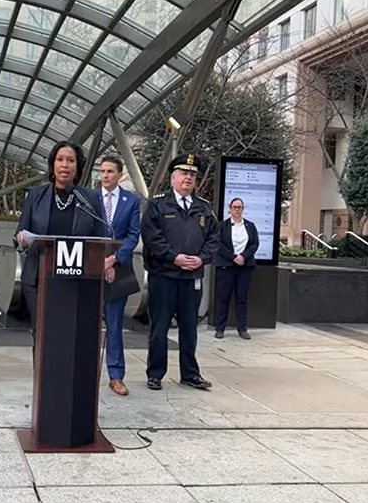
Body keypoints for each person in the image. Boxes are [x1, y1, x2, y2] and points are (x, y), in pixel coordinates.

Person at [15, 141, 108, 340]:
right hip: (39, 280)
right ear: (53, 165)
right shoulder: (36, 195)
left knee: (69, 337)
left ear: (78, 167)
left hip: (76, 281)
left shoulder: (89, 199)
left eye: (70, 160)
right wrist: (22, 239)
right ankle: (42, 373)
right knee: (42, 337)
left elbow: (100, 239)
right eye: (60, 160)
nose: (64, 165)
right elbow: (19, 234)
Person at [142, 154, 219, 391]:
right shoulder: (157, 205)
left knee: (190, 328)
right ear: (173, 177)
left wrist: (201, 259)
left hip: (191, 278)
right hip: (164, 276)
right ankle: (155, 373)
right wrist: (174, 257)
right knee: (159, 328)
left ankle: (190, 374)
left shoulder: (204, 208)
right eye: (184, 173)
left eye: (192, 174)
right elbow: (152, 238)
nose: (188, 178)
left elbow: (214, 240)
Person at [99, 156, 141, 396]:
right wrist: (99, 262)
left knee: (114, 325)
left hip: (118, 268)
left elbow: (133, 234)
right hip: (91, 270)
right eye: (102, 171)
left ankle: (116, 376)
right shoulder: (91, 198)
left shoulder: (131, 201)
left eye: (110, 171)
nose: (105, 175)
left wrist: (114, 259)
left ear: (120, 175)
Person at [213, 197, 260, 340]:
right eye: (234, 207)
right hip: (226, 266)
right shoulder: (222, 226)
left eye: (240, 207)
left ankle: (242, 329)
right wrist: (233, 257)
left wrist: (243, 257)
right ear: (230, 208)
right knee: (223, 298)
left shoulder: (250, 226)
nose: (237, 210)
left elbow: (254, 244)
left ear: (243, 209)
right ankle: (220, 328)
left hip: (244, 267)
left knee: (242, 299)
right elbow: (219, 245)